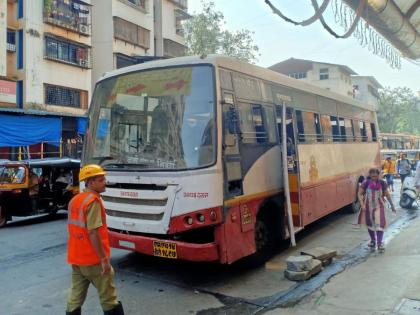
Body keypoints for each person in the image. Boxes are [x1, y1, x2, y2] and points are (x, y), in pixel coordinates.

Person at [66, 165, 124, 315]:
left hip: (76, 259)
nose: (105, 181)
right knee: (108, 298)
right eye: (101, 179)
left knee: (75, 297)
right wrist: (104, 259)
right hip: (94, 260)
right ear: (91, 182)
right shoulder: (93, 202)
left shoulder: (75, 200)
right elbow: (92, 232)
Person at [358, 168, 396, 253]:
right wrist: (362, 204)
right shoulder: (366, 183)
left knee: (380, 224)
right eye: (372, 176)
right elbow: (359, 194)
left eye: (375, 176)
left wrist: (392, 205)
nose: (373, 178)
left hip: (380, 206)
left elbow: (387, 194)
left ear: (378, 175)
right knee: (370, 224)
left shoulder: (383, 183)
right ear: (370, 175)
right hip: (368, 207)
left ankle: (379, 244)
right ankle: (373, 240)